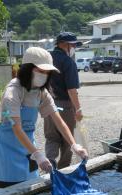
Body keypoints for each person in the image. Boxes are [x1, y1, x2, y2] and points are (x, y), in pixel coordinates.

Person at [0, 47, 88, 188]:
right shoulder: (12, 93)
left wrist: (74, 145)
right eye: (40, 71)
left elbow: (59, 121)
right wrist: (37, 154)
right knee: (10, 189)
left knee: (31, 185)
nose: (44, 75)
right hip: (9, 147)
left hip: (28, 146)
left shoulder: (41, 93)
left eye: (47, 72)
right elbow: (17, 128)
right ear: (27, 69)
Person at [44, 32, 83, 169]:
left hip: (48, 103)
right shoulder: (68, 62)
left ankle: (50, 166)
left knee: (51, 138)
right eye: (73, 45)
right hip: (65, 106)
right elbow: (71, 89)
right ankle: (63, 170)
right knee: (67, 140)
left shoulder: (47, 59)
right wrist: (78, 109)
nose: (74, 48)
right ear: (65, 45)